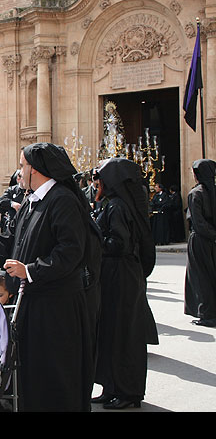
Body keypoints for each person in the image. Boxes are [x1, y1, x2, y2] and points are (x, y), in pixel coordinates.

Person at [0, 143, 97, 412]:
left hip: (56, 305)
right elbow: (9, 238)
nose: (19, 172)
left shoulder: (63, 201)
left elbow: (70, 252)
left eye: (22, 165)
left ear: (37, 169)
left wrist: (31, 270)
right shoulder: (32, 200)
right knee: (32, 371)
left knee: (55, 371)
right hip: (32, 302)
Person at [92, 157, 158, 409]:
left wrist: (95, 237)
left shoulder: (118, 207)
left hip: (122, 276)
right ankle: (111, 386)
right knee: (110, 332)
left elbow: (119, 244)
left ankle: (128, 391)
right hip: (114, 276)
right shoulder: (114, 205)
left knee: (124, 334)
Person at [184, 159, 216, 328]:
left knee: (200, 276)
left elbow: (198, 221)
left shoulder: (196, 193)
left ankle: (206, 313)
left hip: (200, 240)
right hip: (212, 241)